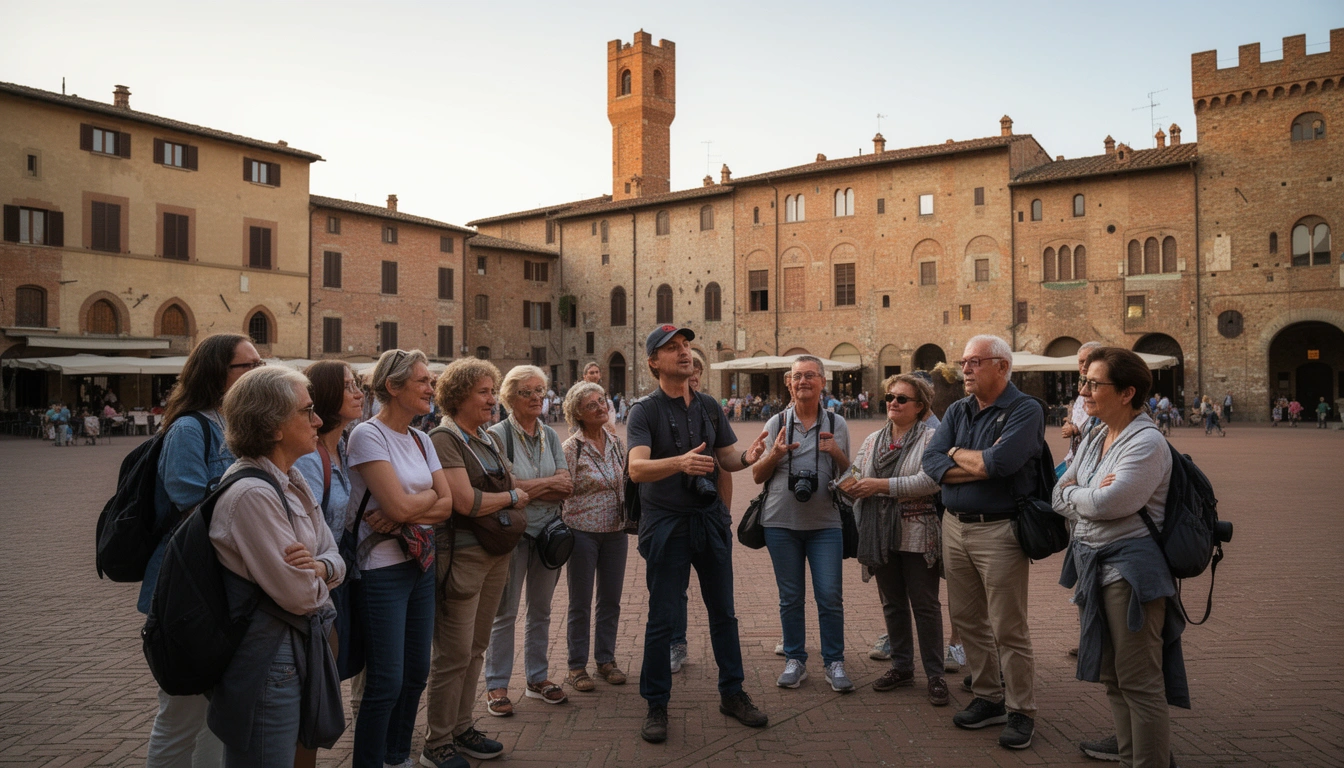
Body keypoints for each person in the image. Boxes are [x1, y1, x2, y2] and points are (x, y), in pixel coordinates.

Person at [627, 324, 769, 744]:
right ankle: (656, 703)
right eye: (672, 349)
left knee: (723, 613)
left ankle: (733, 693)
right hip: (666, 524)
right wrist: (679, 463)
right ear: (654, 362)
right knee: (662, 619)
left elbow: (726, 456)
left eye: (686, 346)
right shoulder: (644, 411)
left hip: (707, 522)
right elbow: (636, 469)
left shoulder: (708, 405)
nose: (684, 353)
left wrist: (751, 455)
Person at [1056, 347, 1188, 768]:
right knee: (1113, 677)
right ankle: (1131, 757)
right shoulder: (1096, 435)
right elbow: (1058, 492)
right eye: (1084, 382)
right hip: (1095, 562)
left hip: (1131, 572)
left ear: (1128, 392)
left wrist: (1081, 494)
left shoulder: (1146, 442)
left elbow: (1110, 503)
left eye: (1095, 384)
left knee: (1140, 682)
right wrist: (1084, 494)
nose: (1084, 392)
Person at [208, 365, 345, 766]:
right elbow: (300, 595)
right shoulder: (253, 494)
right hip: (269, 660)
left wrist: (319, 568)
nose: (318, 420)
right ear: (272, 428)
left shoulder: (292, 481)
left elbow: (335, 556)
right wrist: (323, 573)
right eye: (306, 411)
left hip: (295, 649)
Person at [922, 335, 1044, 750]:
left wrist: (961, 456)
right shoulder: (958, 409)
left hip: (1000, 531)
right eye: (964, 362)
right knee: (968, 619)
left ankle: (1022, 709)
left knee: (1009, 626)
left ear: (1002, 367)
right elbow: (932, 463)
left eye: (975, 362)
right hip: (954, 526)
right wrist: (970, 460)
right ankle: (989, 697)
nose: (965, 369)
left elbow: (1003, 462)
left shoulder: (1026, 409)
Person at [144, 332, 258, 768]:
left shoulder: (231, 423)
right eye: (247, 366)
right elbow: (188, 496)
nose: (256, 372)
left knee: (217, 712)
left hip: (224, 584)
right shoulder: (190, 427)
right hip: (188, 585)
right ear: (217, 372)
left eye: (258, 364)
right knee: (181, 712)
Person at [348, 349, 455, 768]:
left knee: (415, 674)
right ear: (393, 387)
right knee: (386, 682)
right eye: (423, 381)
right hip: (380, 572)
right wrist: (418, 503)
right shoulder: (368, 436)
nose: (431, 388)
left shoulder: (421, 437)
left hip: (418, 565)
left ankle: (397, 757)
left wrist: (411, 505)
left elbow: (446, 507)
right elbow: (403, 507)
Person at [421, 358, 521, 768]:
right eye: (482, 391)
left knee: (477, 648)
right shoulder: (446, 438)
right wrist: (513, 500)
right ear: (459, 395)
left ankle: (462, 728)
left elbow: (506, 482)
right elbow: (466, 502)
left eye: (491, 390)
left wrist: (504, 497)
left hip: (496, 553)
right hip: (463, 555)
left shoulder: (485, 437)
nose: (491, 399)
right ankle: (437, 741)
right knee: (454, 653)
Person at [842, 373, 947, 704]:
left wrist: (880, 487)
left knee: (925, 605)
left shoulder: (932, 438)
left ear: (919, 406)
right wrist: (841, 485)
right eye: (889, 398)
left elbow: (931, 481)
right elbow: (857, 471)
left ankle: (935, 674)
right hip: (879, 533)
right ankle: (902, 666)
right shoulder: (874, 439)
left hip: (917, 531)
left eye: (901, 399)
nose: (893, 403)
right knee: (892, 602)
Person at [751, 356, 853, 692]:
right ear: (788, 383)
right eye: (797, 377)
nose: (803, 382)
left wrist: (836, 452)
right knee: (790, 597)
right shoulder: (776, 421)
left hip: (826, 523)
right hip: (780, 522)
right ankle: (795, 659)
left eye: (810, 376)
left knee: (829, 596)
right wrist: (775, 454)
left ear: (823, 382)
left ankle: (834, 661)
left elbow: (848, 475)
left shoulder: (836, 423)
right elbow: (756, 475)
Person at [484, 366, 573, 712]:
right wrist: (543, 486)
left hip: (548, 533)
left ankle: (537, 677)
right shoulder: (496, 436)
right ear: (509, 398)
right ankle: (497, 685)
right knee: (504, 612)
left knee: (541, 610)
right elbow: (505, 490)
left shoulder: (551, 435)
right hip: (514, 535)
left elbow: (566, 485)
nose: (537, 398)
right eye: (528, 392)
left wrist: (530, 489)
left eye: (541, 391)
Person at [294, 360, 364, 710]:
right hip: (318, 582)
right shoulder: (309, 457)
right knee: (315, 687)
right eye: (349, 386)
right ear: (325, 394)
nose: (358, 392)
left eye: (357, 384)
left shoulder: (347, 443)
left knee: (331, 673)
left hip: (339, 577)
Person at [560, 381, 630, 693]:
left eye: (602, 401)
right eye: (592, 405)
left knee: (611, 599)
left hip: (616, 531)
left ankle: (606, 660)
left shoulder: (616, 443)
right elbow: (563, 490)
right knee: (580, 602)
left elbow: (628, 478)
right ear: (578, 413)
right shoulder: (571, 448)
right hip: (581, 532)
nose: (601, 407)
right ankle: (576, 666)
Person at [668, 357, 733, 673]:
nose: (691, 378)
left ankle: (729, 672)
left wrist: (726, 515)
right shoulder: (659, 410)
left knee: (720, 596)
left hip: (710, 516)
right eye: (687, 373)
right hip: (675, 517)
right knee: (675, 588)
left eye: (696, 374)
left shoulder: (709, 408)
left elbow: (725, 466)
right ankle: (676, 644)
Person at [1062, 343, 1104, 464]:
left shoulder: (1105, 392)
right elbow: (1076, 415)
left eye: (1089, 361)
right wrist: (1069, 422)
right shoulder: (1083, 391)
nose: (1084, 366)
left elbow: (1103, 428)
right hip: (1076, 458)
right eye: (1081, 362)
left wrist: (1075, 429)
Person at [581, 362, 616, 427]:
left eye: (597, 372)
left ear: (600, 375)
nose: (595, 375)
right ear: (585, 376)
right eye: (591, 373)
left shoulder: (603, 394)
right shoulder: (580, 394)